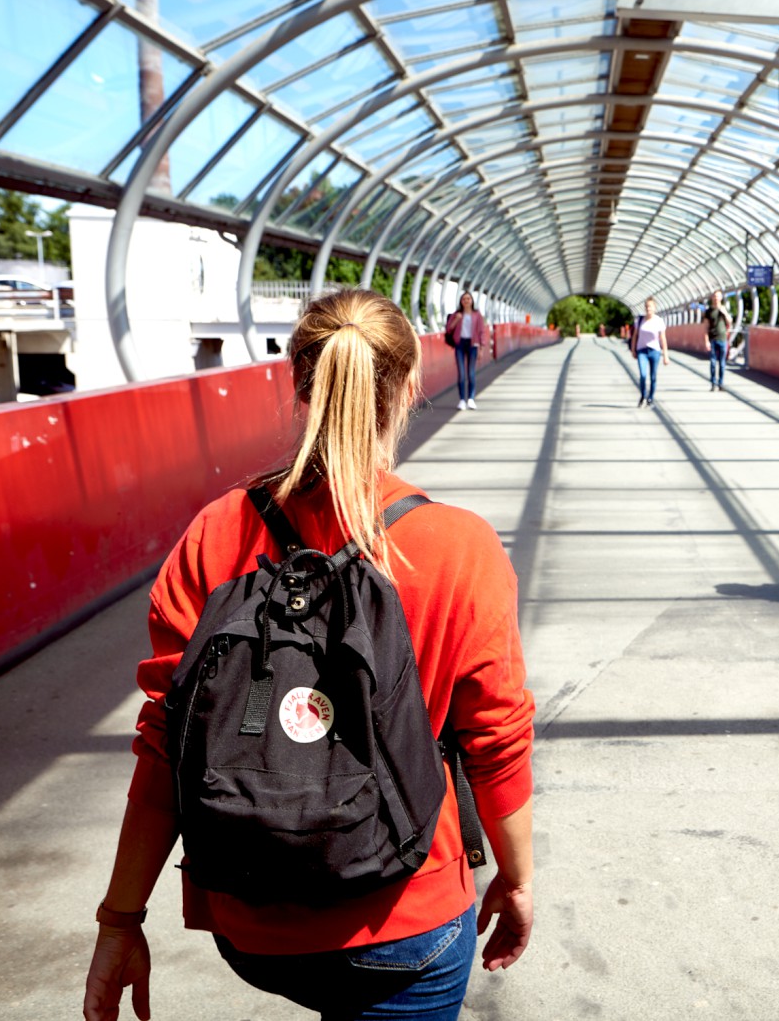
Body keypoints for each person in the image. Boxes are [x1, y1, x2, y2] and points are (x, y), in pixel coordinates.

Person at [84, 289, 535, 1021]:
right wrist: (516, 882)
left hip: (252, 923)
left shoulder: (216, 534)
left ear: (297, 383)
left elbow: (168, 739)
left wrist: (120, 922)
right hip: (405, 919)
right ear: (409, 388)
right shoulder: (460, 547)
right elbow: (498, 741)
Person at [444, 291, 487, 411]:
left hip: (473, 345)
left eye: (468, 299)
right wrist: (456, 320)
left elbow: (481, 331)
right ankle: (462, 400)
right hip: (460, 344)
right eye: (464, 299)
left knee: (471, 373)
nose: (466, 301)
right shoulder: (456, 314)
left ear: (472, 301)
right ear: (461, 301)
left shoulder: (477, 314)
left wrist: (482, 348)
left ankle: (471, 399)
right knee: (462, 374)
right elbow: (448, 329)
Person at [630, 296, 670, 408]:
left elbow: (663, 339)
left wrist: (665, 355)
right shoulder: (640, 320)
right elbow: (635, 336)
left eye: (650, 306)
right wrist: (633, 350)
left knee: (653, 376)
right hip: (641, 350)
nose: (648, 308)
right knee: (643, 375)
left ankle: (650, 398)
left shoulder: (659, 321)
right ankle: (643, 395)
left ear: (655, 307)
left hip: (655, 351)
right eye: (647, 306)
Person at [703, 292, 733, 391]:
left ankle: (721, 383)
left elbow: (730, 321)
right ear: (712, 298)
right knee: (712, 362)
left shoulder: (724, 309)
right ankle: (713, 383)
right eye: (715, 296)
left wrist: (724, 312)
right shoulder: (708, 311)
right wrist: (706, 341)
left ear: (721, 298)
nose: (716, 298)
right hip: (712, 339)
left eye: (718, 296)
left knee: (722, 363)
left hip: (722, 338)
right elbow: (705, 327)